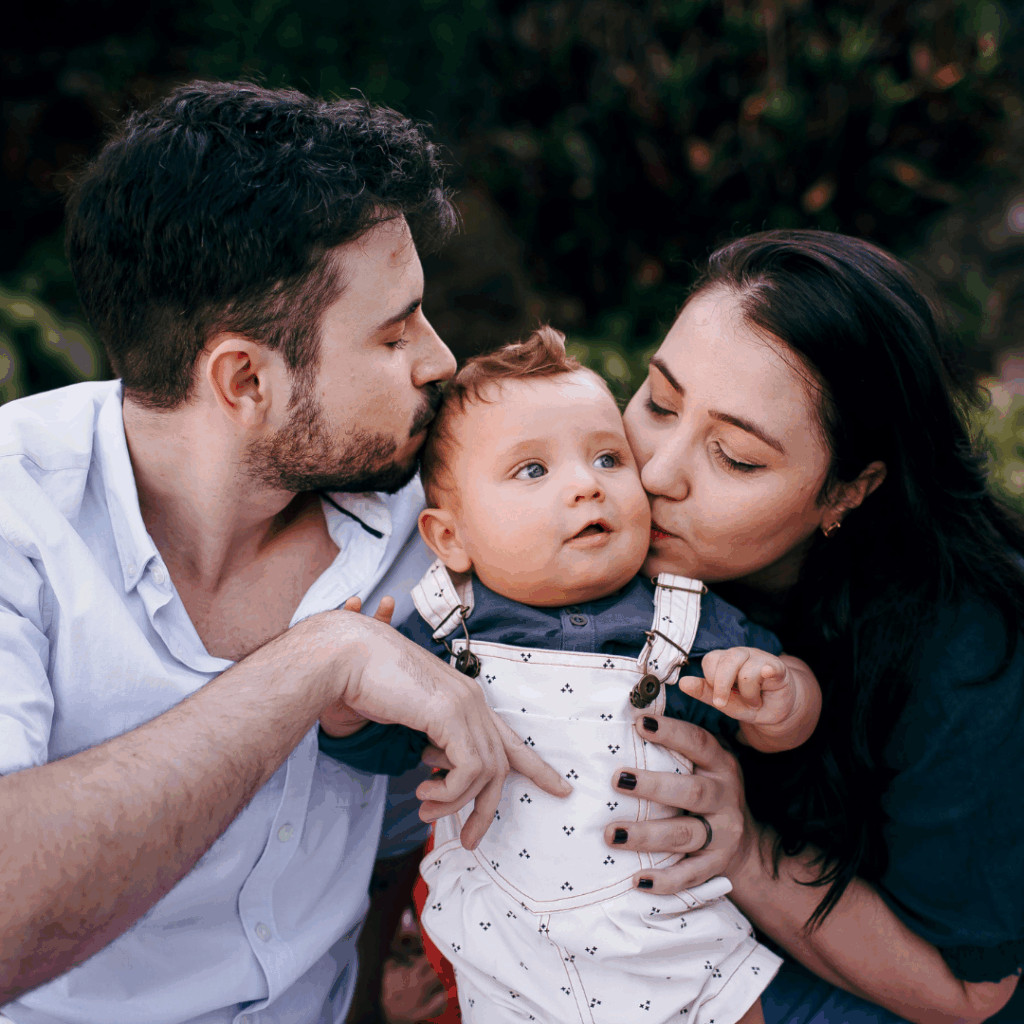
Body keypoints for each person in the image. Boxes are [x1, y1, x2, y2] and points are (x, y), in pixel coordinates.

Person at [0, 80, 570, 1024]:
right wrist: (314, 662)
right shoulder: (18, 512)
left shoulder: (441, 516)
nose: (439, 360)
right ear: (244, 379)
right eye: (394, 334)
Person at [322, 326, 828, 1024]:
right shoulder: (442, 633)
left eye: (607, 457)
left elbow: (774, 722)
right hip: (510, 954)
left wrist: (780, 697)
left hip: (675, 941)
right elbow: (382, 752)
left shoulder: (683, 615)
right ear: (451, 538)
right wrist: (350, 712)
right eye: (533, 471)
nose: (586, 485)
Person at [597, 230, 1024, 1023]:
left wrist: (748, 852)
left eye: (735, 457)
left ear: (848, 492)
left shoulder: (968, 654)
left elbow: (972, 992)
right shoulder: (601, 525)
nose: (656, 472)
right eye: (658, 403)